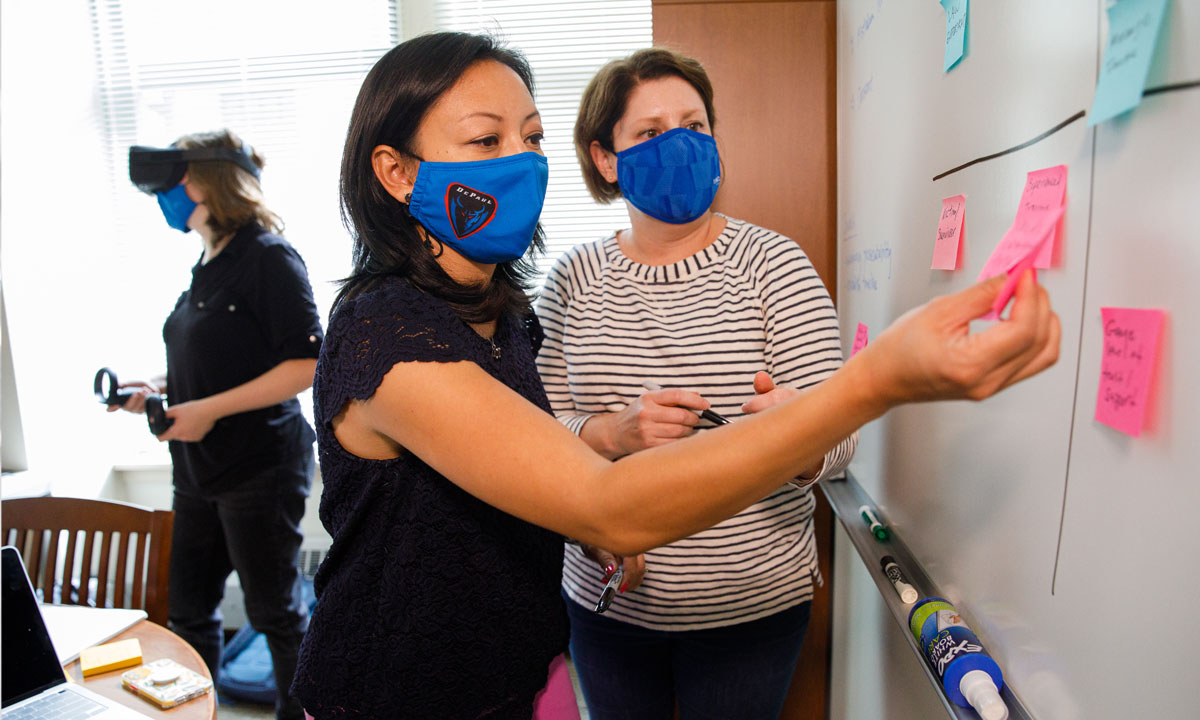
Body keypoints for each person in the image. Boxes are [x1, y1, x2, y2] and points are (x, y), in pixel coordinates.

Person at [289, 32, 1059, 720]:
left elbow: (529, 471)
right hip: (414, 687)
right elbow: (600, 499)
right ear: (394, 172)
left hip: (545, 662)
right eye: (486, 141)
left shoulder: (505, 312)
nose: (520, 163)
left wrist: (573, 502)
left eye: (529, 138)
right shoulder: (390, 332)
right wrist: (875, 379)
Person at [534, 46, 855, 719]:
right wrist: (610, 432)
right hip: (606, 604)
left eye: (695, 125)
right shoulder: (570, 281)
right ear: (605, 158)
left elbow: (840, 441)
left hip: (753, 611)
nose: (678, 144)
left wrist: (797, 433)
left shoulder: (775, 264)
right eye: (649, 133)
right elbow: (533, 438)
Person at [118, 129, 322, 720]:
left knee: (275, 616)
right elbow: (215, 356)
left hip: (258, 467)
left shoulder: (267, 256)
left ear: (209, 182)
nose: (168, 197)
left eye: (177, 182)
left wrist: (207, 409)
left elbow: (306, 362)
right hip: (196, 472)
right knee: (188, 612)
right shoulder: (208, 261)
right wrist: (154, 388)